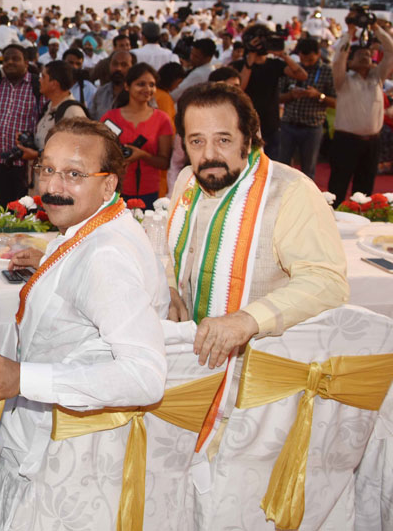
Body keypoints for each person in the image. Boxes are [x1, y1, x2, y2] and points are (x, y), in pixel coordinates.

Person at [0, 118, 167, 530]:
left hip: (64, 457)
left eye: (74, 174)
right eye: (47, 169)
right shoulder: (93, 228)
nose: (53, 186)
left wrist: (21, 378)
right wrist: (54, 263)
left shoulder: (105, 257)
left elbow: (145, 376)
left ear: (109, 184)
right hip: (53, 432)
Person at [167, 83, 347, 372]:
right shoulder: (188, 179)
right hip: (190, 357)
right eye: (197, 141)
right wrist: (170, 290)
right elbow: (170, 252)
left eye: (223, 140)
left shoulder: (289, 190)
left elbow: (327, 282)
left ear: (248, 139)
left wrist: (248, 320)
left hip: (260, 367)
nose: (209, 154)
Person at [327, 22, 393, 202]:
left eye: (368, 55)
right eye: (360, 55)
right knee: (338, 187)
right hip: (346, 141)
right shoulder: (343, 80)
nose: (365, 57)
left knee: (364, 191)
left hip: (372, 142)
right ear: (350, 61)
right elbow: (338, 58)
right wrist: (349, 33)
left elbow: (390, 51)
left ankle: (359, 216)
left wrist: (376, 28)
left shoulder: (378, 79)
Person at [0, 44, 42, 206]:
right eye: (6, 60)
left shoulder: (37, 87)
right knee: (3, 208)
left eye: (15, 59)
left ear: (26, 63)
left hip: (25, 164)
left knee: (25, 210)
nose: (10, 62)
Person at [101, 63, 173, 208]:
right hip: (115, 189)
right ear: (127, 86)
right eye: (141, 84)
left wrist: (142, 155)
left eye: (152, 85)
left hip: (150, 191)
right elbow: (100, 155)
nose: (147, 89)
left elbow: (165, 162)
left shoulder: (162, 119)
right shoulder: (111, 117)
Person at [230, 24, 308, 157]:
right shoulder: (238, 65)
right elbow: (240, 88)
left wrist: (283, 55)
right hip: (245, 124)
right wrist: (251, 57)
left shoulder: (275, 64)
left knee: (271, 165)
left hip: (271, 125)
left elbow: (302, 75)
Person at [276, 37, 335, 177]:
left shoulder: (327, 71)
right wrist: (290, 95)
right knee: (281, 168)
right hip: (288, 124)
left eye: (310, 60)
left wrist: (318, 95)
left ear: (318, 54)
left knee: (308, 171)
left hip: (312, 127)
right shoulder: (292, 69)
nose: (306, 63)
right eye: (303, 59)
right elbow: (276, 97)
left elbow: (336, 102)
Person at [21, 60, 88, 164]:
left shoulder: (73, 112)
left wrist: (37, 155)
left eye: (43, 77)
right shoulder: (48, 106)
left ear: (54, 84)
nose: (39, 80)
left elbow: (77, 150)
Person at [88, 49, 133, 121]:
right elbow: (92, 119)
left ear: (132, 67)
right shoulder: (101, 92)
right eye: (115, 64)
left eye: (124, 65)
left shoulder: (137, 94)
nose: (118, 68)